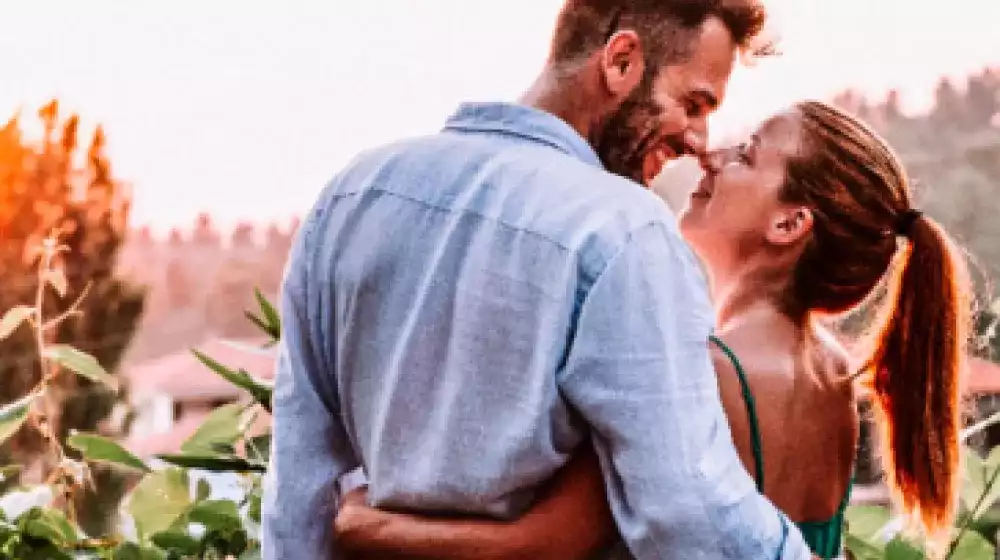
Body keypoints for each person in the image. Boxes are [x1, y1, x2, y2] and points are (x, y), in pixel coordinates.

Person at [262, 1, 819, 558]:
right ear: (621, 61)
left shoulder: (354, 194)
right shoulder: (624, 232)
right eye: (692, 105)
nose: (698, 140)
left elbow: (299, 492)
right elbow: (688, 513)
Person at [332, 101, 972, 559]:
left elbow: (542, 546)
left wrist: (365, 527)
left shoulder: (703, 371)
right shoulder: (831, 372)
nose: (712, 156)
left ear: (789, 224)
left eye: (747, 155)